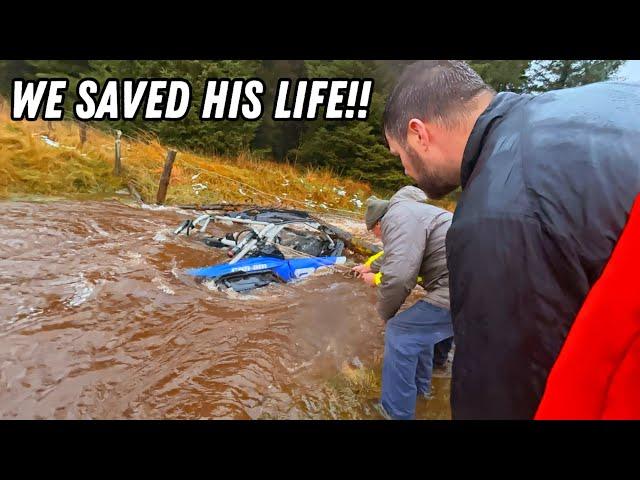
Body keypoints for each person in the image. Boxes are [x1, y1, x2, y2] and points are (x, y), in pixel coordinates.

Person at [382, 60, 640, 419]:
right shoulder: (594, 102)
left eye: (399, 156)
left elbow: (500, 398)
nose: (406, 171)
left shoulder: (496, 211)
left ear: (419, 134)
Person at [353, 186, 454, 419]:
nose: (376, 237)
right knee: (421, 331)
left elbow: (399, 277)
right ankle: (422, 391)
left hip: (463, 286)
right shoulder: (412, 212)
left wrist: (383, 314)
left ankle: (394, 412)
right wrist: (368, 267)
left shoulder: (397, 218)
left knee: (400, 332)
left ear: (379, 224)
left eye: (374, 232)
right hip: (474, 281)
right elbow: (396, 255)